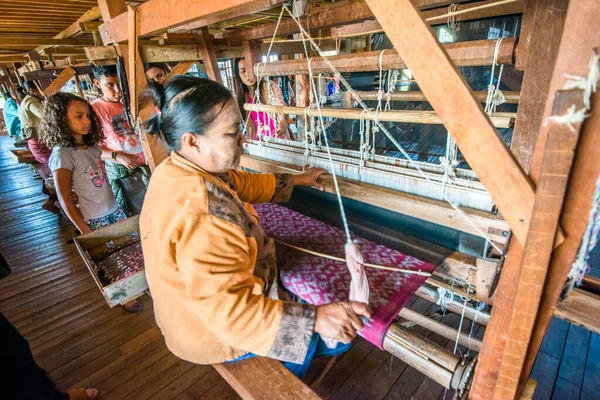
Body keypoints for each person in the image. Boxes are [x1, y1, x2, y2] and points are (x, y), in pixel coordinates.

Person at [139, 76, 369, 378]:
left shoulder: (176, 168)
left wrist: (299, 180)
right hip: (211, 335)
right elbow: (231, 317)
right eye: (233, 133)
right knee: (331, 337)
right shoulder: (205, 215)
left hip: (182, 313)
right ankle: (290, 376)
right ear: (192, 141)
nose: (243, 140)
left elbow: (242, 183)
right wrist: (316, 319)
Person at [39, 92, 143, 313]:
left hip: (112, 209)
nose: (87, 121)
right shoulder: (63, 155)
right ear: (60, 120)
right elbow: (66, 199)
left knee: (128, 248)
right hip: (93, 218)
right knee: (109, 257)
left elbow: (101, 153)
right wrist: (84, 230)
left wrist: (117, 156)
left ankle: (136, 285)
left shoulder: (89, 146)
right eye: (79, 117)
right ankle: (126, 297)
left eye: (88, 116)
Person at [91, 65, 151, 216]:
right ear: (97, 83)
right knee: (140, 211)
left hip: (149, 163)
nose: (117, 90)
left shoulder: (134, 101)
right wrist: (117, 156)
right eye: (110, 85)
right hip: (124, 170)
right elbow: (91, 147)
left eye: (120, 83)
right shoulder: (94, 110)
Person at [18, 81, 63, 214]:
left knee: (55, 168)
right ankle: (57, 200)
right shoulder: (30, 101)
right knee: (58, 168)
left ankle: (52, 200)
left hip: (39, 141)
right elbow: (45, 116)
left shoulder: (28, 100)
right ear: (33, 91)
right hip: (39, 143)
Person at [233, 58, 293, 140]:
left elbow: (281, 106)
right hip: (257, 144)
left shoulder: (270, 87)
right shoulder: (240, 98)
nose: (249, 74)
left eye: (251, 70)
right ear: (238, 74)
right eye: (243, 71)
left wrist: (283, 122)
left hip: (278, 139)